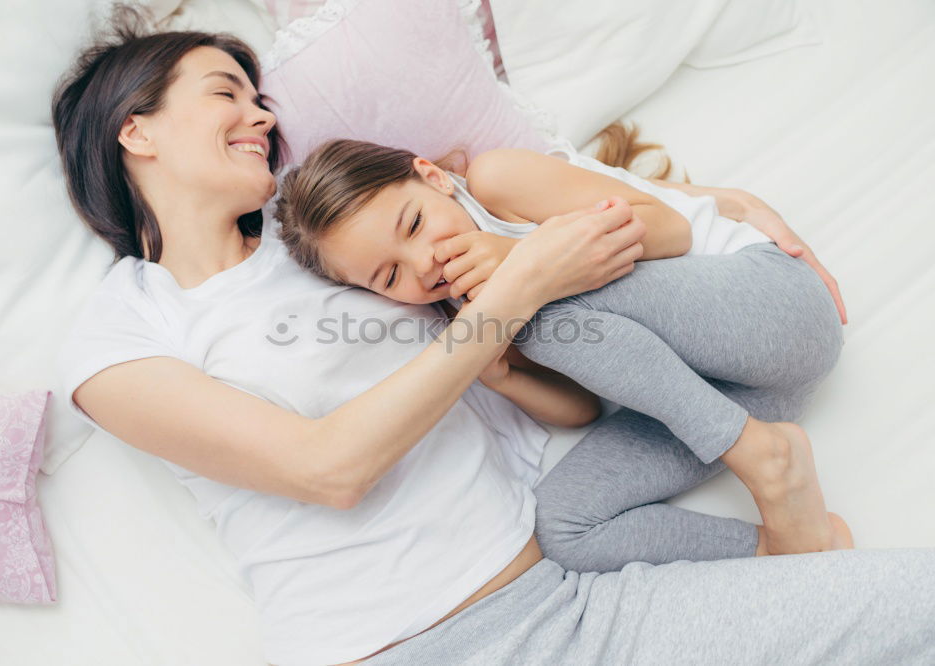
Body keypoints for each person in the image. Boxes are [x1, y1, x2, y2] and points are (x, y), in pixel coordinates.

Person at [50, 9, 935, 665]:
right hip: (389, 647)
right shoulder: (122, 333)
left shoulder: (329, 239)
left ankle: (790, 535)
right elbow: (327, 469)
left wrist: (727, 210)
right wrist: (514, 294)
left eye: (259, 96)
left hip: (577, 610)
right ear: (137, 130)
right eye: (224, 94)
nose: (262, 117)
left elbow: (503, 196)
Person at [273, 137, 849, 557]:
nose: (423, 262)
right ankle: (789, 545)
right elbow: (587, 405)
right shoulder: (468, 312)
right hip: (738, 397)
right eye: (390, 277)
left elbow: (672, 228)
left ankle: (760, 458)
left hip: (775, 310)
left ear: (432, 177)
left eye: (415, 223)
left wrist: (520, 260)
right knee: (563, 527)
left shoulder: (499, 183)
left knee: (538, 305)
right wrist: (504, 378)